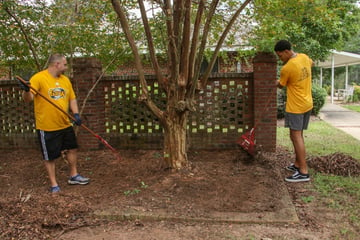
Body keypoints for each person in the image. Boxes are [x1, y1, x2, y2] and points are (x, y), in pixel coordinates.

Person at [19, 53, 89, 193]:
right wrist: (26, 90)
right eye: (65, 64)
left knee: (72, 148)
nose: (66, 67)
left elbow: (72, 99)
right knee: (50, 156)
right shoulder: (39, 78)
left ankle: (73, 175)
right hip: (47, 126)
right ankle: (54, 184)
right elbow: (28, 98)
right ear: (56, 64)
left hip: (65, 123)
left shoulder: (65, 80)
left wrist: (75, 114)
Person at [274, 40, 313, 183]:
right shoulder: (304, 57)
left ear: (286, 51)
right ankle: (297, 164)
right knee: (297, 135)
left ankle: (303, 171)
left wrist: (274, 82)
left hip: (296, 106)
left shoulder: (287, 68)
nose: (280, 59)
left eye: (280, 56)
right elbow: (311, 63)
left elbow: (280, 85)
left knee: (296, 137)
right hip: (307, 103)